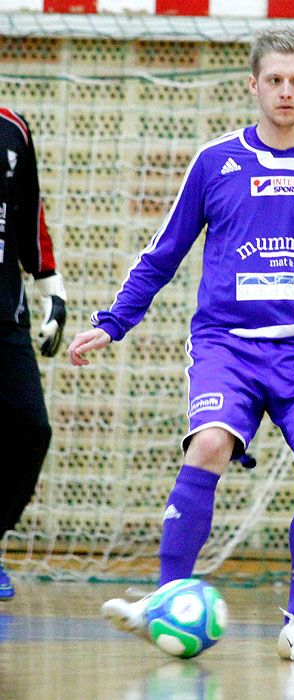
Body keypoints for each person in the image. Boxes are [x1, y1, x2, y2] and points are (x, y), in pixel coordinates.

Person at [67, 27, 294, 662]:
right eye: (275, 80)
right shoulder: (216, 162)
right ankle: (162, 600)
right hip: (228, 348)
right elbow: (164, 252)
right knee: (209, 441)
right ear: (253, 85)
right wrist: (113, 321)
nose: (286, 91)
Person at [0, 108, 67, 599]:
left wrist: (54, 293)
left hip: (5, 313)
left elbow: (30, 218)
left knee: (31, 427)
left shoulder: (13, 129)